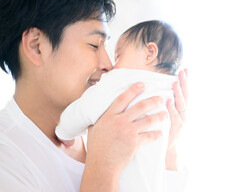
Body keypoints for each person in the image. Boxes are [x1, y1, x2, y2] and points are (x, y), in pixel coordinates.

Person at [0, 0, 188, 192]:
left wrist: (168, 148)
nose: (109, 65)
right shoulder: (7, 160)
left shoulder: (114, 116)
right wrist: (103, 167)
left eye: (107, 47)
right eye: (93, 44)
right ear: (36, 46)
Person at [55, 20, 184, 192]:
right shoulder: (171, 91)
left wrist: (64, 131)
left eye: (118, 56)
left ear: (150, 53)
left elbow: (84, 109)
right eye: (94, 45)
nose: (112, 66)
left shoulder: (122, 80)